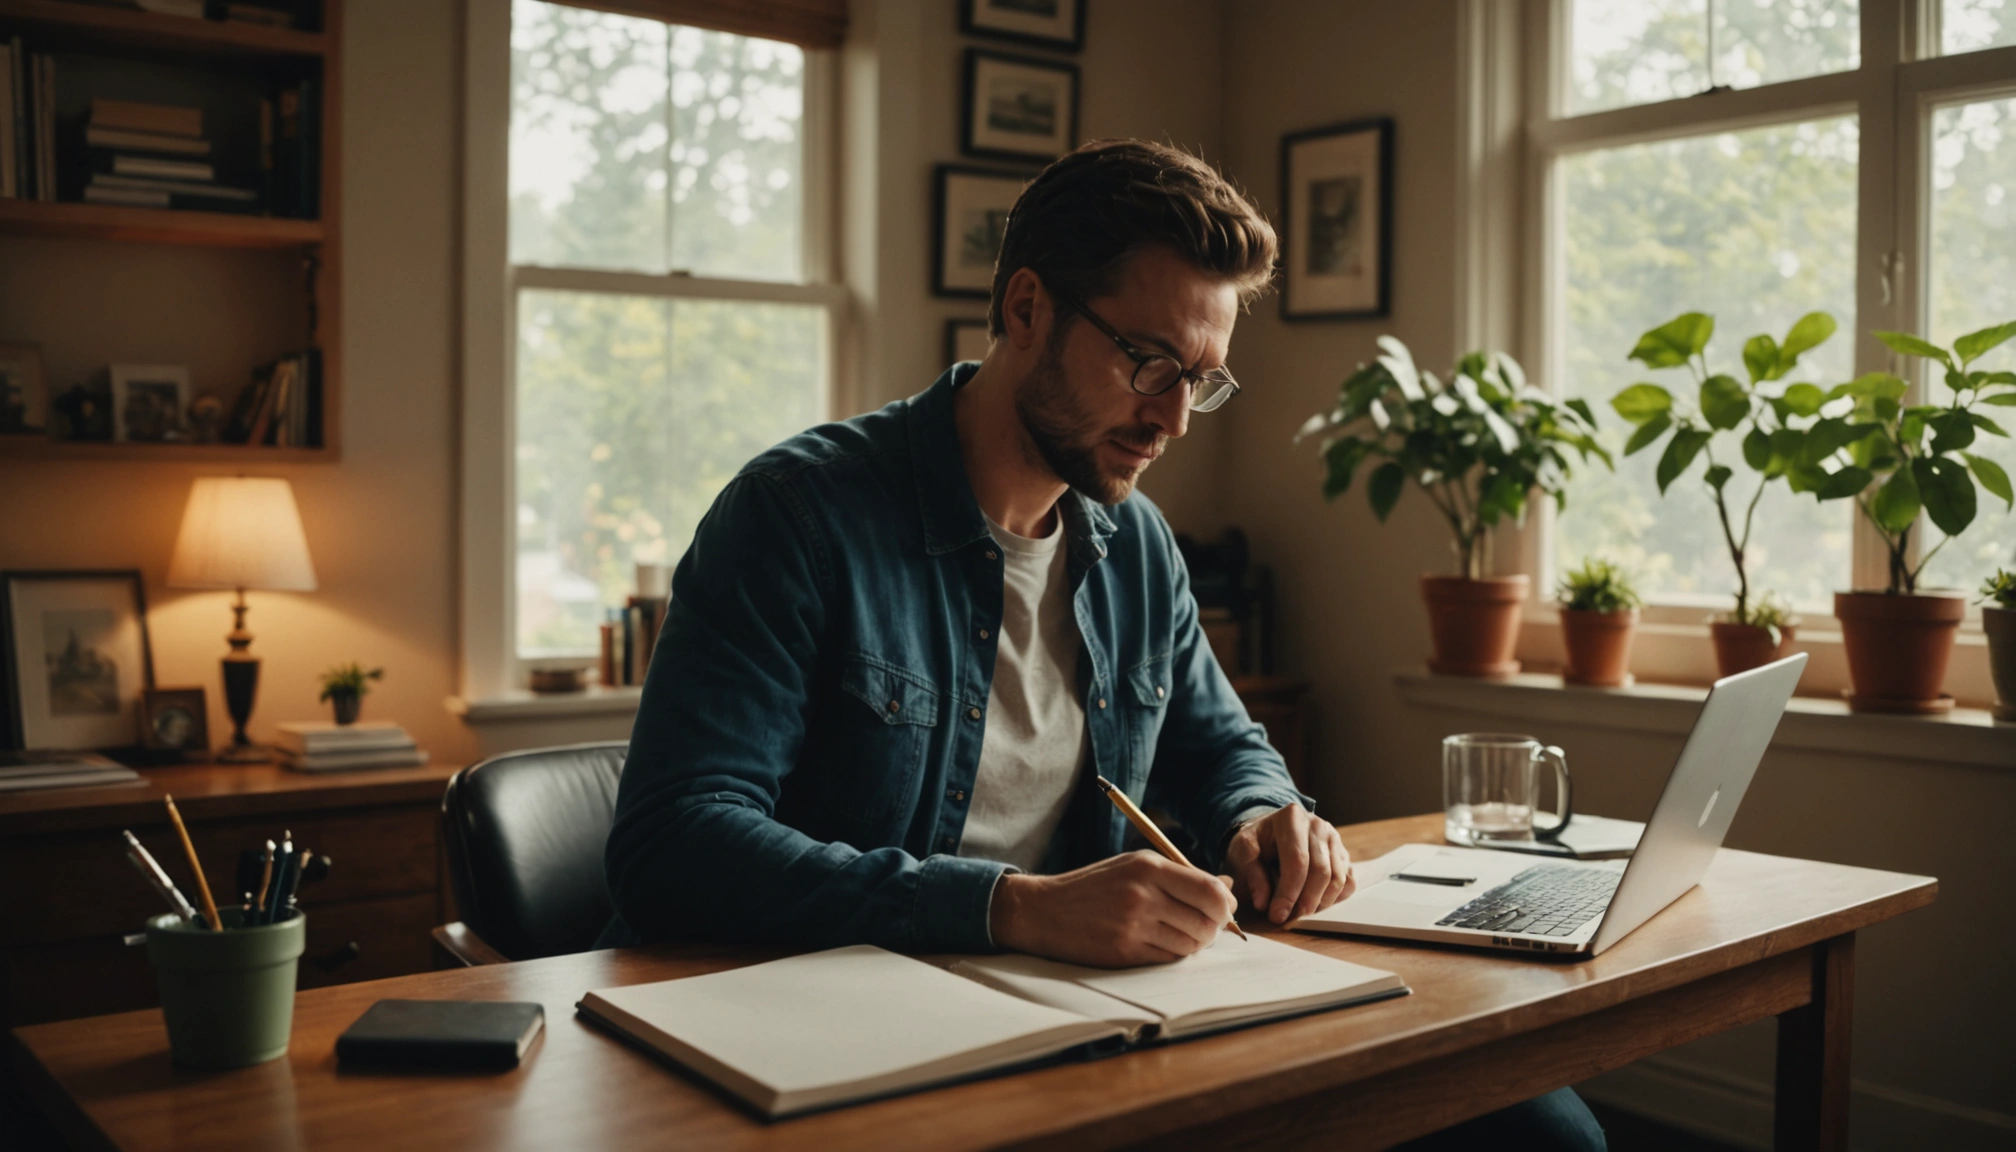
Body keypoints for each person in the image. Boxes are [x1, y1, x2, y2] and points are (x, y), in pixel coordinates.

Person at [602, 138, 1603, 1150]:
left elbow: (1220, 746)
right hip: (846, 1037)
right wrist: (1013, 909)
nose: (1171, 419)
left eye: (1202, 380)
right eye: (1148, 362)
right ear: (1027, 308)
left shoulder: (1136, 544)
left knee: (1542, 1130)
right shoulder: (796, 516)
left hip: (1087, 1022)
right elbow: (674, 841)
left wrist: (1267, 814)